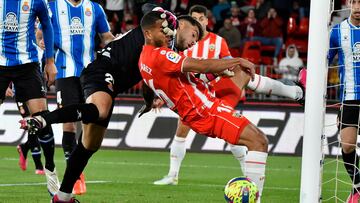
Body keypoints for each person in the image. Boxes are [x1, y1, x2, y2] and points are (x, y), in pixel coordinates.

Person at [21, 9, 203, 202]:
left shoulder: (167, 50)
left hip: (111, 84)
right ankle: (42, 119)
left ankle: (63, 197)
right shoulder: (160, 26)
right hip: (102, 69)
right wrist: (166, 14)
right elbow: (150, 9)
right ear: (180, 25)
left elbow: (149, 76)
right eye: (194, 35)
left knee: (90, 144)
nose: (194, 42)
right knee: (99, 111)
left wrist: (149, 102)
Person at [154, 4, 306, 186]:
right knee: (182, 132)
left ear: (206, 20)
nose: (198, 22)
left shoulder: (217, 41)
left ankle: (296, 92)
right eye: (194, 18)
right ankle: (173, 174)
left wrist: (223, 72)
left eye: (201, 19)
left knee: (236, 123)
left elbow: (227, 64)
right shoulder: (181, 42)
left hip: (218, 90)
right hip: (196, 94)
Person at [139, 10, 268, 202]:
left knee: (255, 141)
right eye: (162, 31)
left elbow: (146, 85)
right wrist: (238, 60)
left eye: (167, 31)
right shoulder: (161, 55)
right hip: (206, 111)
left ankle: (296, 93)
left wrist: (148, 103)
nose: (167, 34)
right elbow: (200, 66)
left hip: (201, 110)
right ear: (149, 34)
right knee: (258, 141)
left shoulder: (144, 59)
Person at [36, 0, 114, 195]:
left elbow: (106, 36)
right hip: (64, 71)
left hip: (91, 72)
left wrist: (121, 45)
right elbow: (40, 33)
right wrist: (41, 42)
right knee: (69, 122)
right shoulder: (53, 6)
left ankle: (76, 167)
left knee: (88, 123)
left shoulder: (94, 8)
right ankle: (76, 175)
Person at [0, 0, 59, 196]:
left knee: (41, 118)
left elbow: (47, 26)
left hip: (28, 65)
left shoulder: (36, 1)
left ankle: (50, 170)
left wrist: (50, 62)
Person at [328, 0, 360, 202]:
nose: (358, 7)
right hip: (350, 98)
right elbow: (325, 60)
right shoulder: (337, 32)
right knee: (347, 146)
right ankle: (358, 186)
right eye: (355, 2)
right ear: (349, 3)